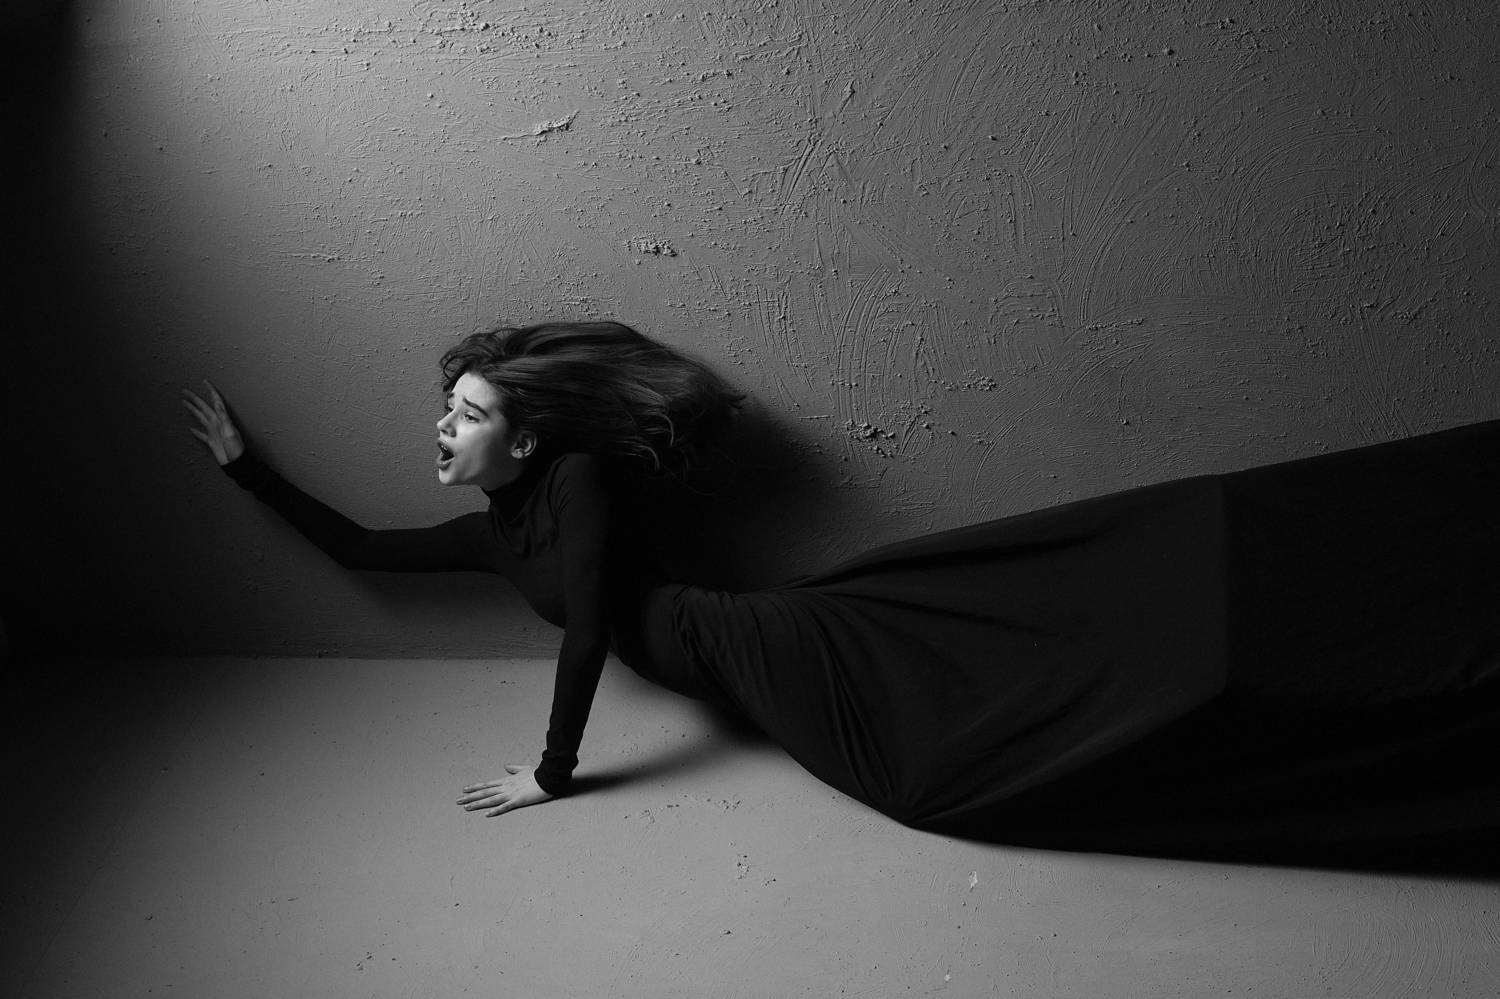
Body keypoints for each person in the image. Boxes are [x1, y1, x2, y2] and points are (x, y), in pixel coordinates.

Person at [185, 320, 1500, 866]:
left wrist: (553, 773)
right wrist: (250, 473)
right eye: (449, 410)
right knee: (959, 765)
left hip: (771, 650)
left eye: (468, 414)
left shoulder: (578, 485)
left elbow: (591, 629)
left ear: (526, 440)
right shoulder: (491, 539)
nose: (444, 427)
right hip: (758, 680)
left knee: (959, 763)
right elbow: (362, 549)